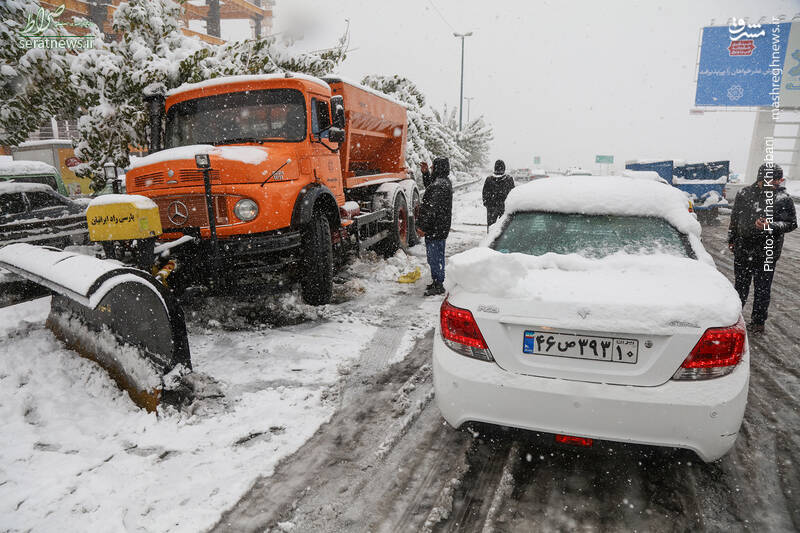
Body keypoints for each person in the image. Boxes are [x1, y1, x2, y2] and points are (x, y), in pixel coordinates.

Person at [728, 163, 797, 334]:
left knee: (762, 289)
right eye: (773, 179)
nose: (777, 183)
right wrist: (732, 238)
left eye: (778, 179)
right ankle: (733, 319)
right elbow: (735, 218)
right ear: (762, 178)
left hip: (767, 252)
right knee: (740, 287)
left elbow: (792, 223)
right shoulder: (744, 193)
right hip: (744, 249)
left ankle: (758, 323)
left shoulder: (783, 198)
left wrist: (771, 225)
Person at [417, 157, 453, 296]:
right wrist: (425, 174)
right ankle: (437, 281)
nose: (431, 168)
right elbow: (430, 188)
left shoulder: (439, 185)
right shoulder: (443, 183)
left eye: (433, 166)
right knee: (437, 255)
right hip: (440, 226)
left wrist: (422, 227)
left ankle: (438, 284)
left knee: (435, 257)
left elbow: (430, 209)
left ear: (438, 168)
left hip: (435, 228)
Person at [482, 159, 515, 229]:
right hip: (505, 207)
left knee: (491, 226)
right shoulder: (509, 179)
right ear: (504, 168)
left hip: (492, 207)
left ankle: (490, 238)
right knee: (504, 227)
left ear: (494, 168)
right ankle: (503, 239)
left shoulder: (489, 179)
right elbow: (513, 194)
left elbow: (484, 193)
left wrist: (487, 204)